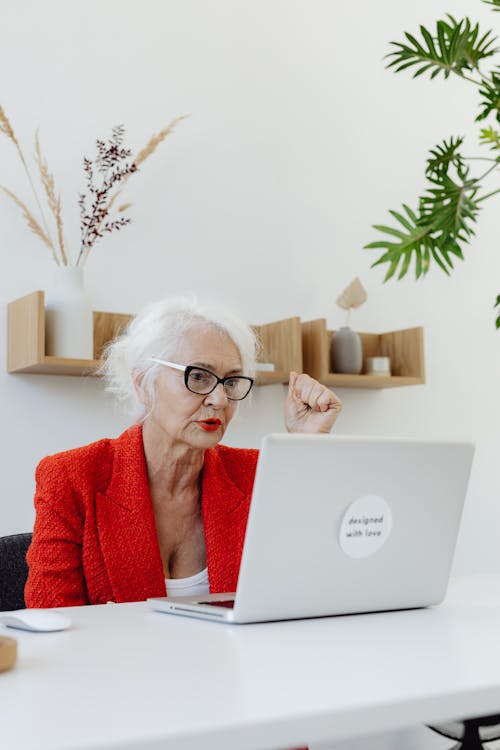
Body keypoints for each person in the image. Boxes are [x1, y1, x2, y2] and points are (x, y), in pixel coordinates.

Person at [25, 296, 342, 608]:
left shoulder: (259, 475)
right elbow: (52, 624)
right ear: (143, 383)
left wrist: (305, 447)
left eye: (231, 381)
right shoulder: (70, 477)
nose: (219, 399)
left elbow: (308, 588)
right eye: (199, 376)